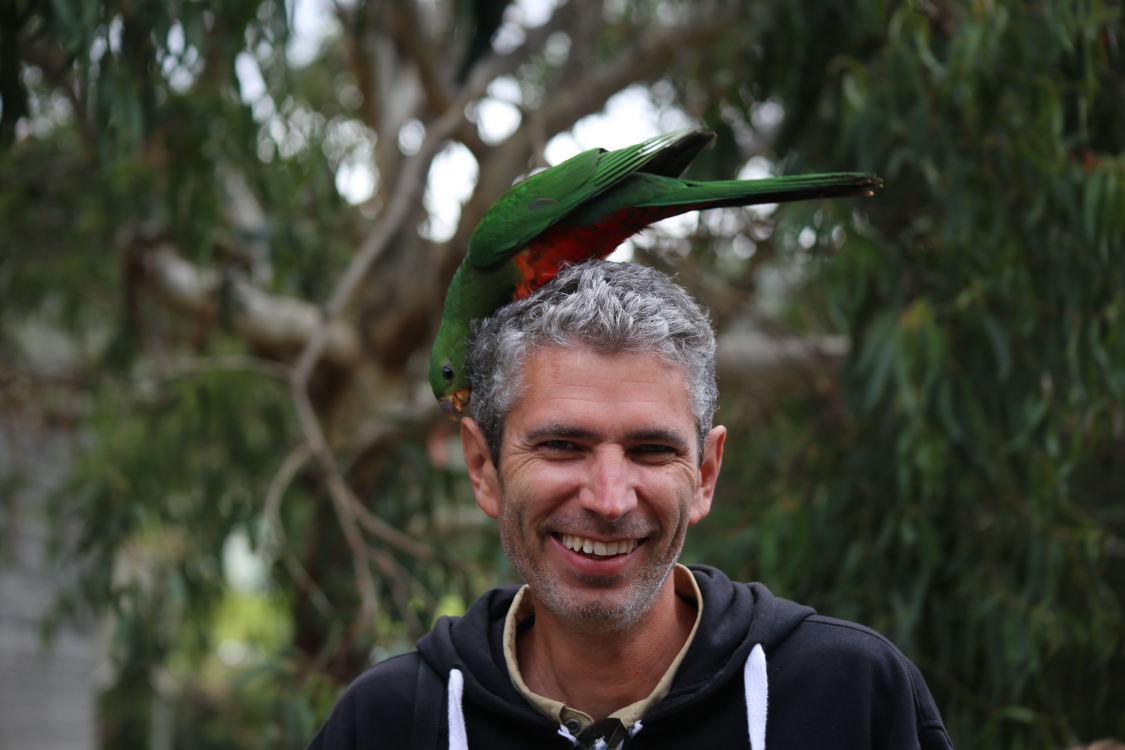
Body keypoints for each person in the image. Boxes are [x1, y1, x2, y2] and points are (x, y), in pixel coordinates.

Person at [307, 260, 953, 750]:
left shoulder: (852, 699)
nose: (610, 501)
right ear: (484, 468)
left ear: (704, 474)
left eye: (650, 450)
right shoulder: (386, 725)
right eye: (562, 446)